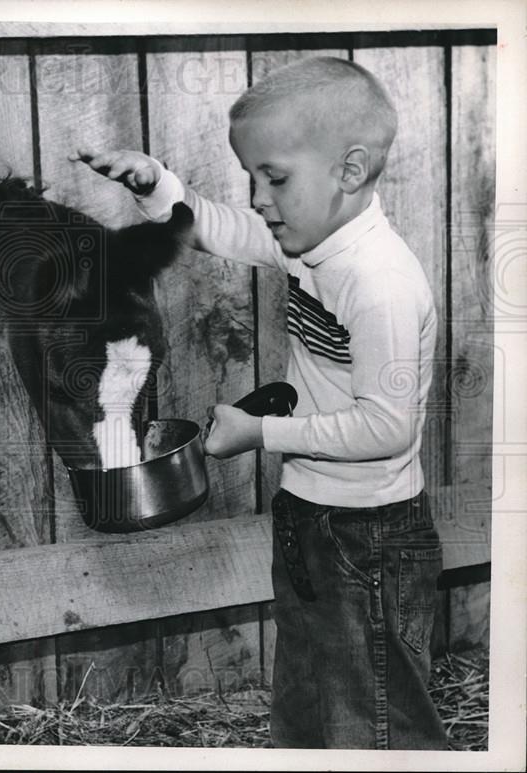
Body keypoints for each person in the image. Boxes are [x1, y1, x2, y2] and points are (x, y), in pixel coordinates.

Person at [72, 56, 447, 750]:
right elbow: (223, 228)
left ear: (350, 171)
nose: (262, 198)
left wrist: (258, 431)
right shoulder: (314, 243)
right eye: (254, 179)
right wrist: (159, 189)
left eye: (275, 178)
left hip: (371, 535)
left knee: (379, 719)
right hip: (310, 513)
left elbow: (388, 427)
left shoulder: (379, 281)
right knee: (307, 702)